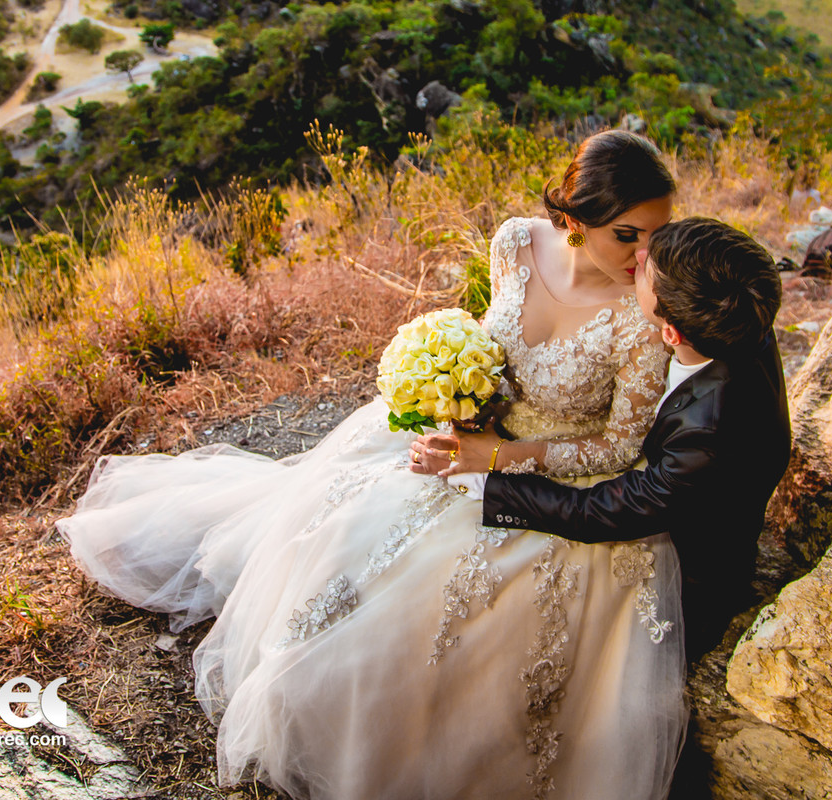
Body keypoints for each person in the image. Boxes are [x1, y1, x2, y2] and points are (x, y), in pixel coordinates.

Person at [56, 129, 688, 800]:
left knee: (444, 602)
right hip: (470, 436)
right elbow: (491, 345)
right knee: (346, 524)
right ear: (572, 220)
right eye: (628, 235)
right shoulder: (516, 244)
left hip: (556, 479)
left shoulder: (641, 314)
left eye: (658, 233)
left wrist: (500, 455)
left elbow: (619, 449)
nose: (647, 255)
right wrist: (459, 401)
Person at [417, 216, 791, 660]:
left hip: (690, 560)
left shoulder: (705, 433)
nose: (639, 255)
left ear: (669, 333)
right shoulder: (741, 312)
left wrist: (487, 479)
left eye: (648, 267)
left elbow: (596, 513)